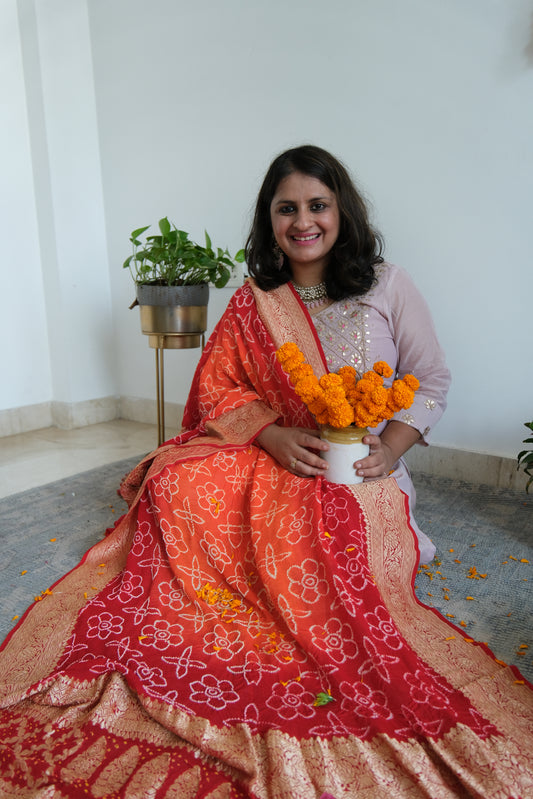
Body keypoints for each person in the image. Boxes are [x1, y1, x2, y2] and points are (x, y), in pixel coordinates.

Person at [0, 145, 531, 798]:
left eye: (317, 205)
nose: (302, 221)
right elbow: (219, 386)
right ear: (268, 219)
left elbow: (432, 378)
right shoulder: (257, 297)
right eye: (287, 208)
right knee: (175, 483)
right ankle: (230, 580)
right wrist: (270, 433)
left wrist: (391, 449)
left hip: (354, 465)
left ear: (342, 211)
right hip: (272, 452)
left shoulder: (386, 283)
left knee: (324, 542)